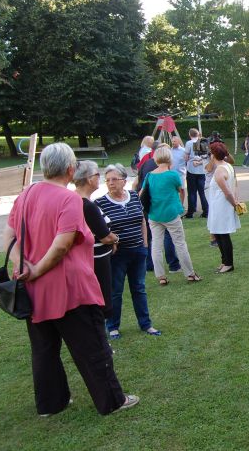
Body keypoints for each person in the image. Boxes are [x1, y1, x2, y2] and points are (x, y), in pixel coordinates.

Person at [4, 143, 138, 416]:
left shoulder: (27, 194)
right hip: (69, 291)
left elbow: (10, 236)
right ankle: (112, 400)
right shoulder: (69, 200)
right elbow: (62, 245)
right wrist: (36, 268)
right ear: (70, 169)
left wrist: (23, 267)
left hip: (35, 290)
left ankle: (51, 404)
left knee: (44, 349)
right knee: (92, 347)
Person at [95, 164, 161, 339]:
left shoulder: (133, 196)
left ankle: (146, 324)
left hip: (138, 251)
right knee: (115, 291)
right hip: (117, 255)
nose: (110, 183)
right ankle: (113, 326)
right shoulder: (100, 203)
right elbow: (100, 230)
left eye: (114, 179)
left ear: (124, 181)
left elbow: (141, 221)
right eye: (107, 180)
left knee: (139, 288)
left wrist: (145, 245)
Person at [142, 145, 201, 285]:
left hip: (154, 215)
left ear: (156, 159)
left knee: (156, 245)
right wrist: (180, 206)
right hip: (171, 214)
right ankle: (190, 273)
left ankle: (160, 276)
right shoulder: (172, 175)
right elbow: (181, 191)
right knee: (180, 243)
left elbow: (141, 194)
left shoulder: (149, 175)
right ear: (170, 159)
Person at [74, 161, 117, 317]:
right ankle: (100, 339)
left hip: (89, 258)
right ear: (89, 179)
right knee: (100, 301)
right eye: (97, 175)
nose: (100, 178)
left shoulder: (75, 200)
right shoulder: (86, 205)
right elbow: (105, 237)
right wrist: (116, 239)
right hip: (96, 260)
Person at [136, 143, 181, 273]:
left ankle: (153, 268)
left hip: (151, 210)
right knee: (170, 238)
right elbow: (179, 190)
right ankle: (174, 265)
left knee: (154, 241)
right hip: (167, 211)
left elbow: (139, 185)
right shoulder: (169, 173)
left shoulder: (146, 167)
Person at [207, 141, 240, 273]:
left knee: (223, 235)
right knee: (219, 234)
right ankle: (224, 261)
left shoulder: (220, 171)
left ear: (213, 155)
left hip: (222, 206)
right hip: (218, 206)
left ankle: (229, 263)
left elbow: (227, 192)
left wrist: (234, 204)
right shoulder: (226, 166)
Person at [184, 128, 209, 218]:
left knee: (191, 192)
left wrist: (188, 159)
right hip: (202, 170)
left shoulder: (189, 143)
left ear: (190, 135)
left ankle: (191, 212)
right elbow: (205, 157)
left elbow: (186, 157)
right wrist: (199, 162)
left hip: (191, 170)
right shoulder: (203, 142)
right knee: (202, 192)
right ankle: (206, 211)